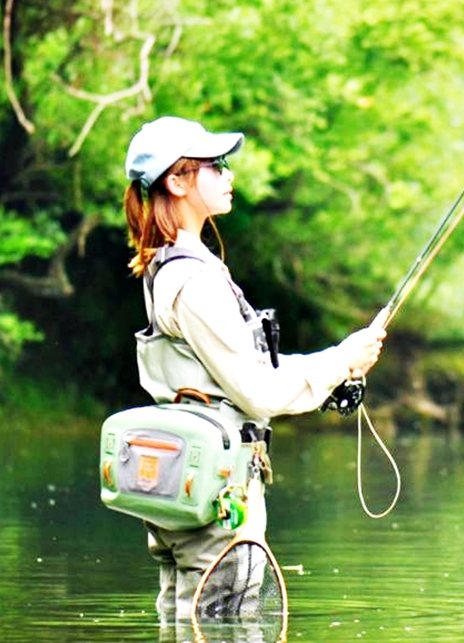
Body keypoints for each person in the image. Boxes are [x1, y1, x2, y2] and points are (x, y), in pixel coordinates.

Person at [121, 115, 388, 621]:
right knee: (224, 628)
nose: (229, 175)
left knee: (184, 624)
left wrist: (337, 365)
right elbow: (258, 393)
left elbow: (232, 371)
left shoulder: (166, 267)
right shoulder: (194, 281)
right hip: (220, 499)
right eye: (214, 166)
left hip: (185, 490)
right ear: (177, 182)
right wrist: (340, 362)